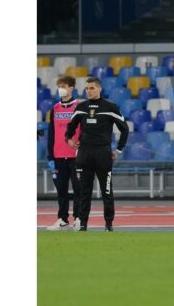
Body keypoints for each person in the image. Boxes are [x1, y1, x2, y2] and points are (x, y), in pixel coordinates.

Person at [64, 78, 129, 231]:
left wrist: (118, 150)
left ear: (99, 89)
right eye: (87, 88)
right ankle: (83, 224)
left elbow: (124, 129)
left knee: (106, 191)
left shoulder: (111, 107)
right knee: (83, 192)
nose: (89, 91)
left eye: (92, 88)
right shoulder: (80, 107)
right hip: (84, 154)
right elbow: (70, 129)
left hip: (103, 154)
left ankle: (108, 224)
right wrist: (69, 140)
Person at [46, 76, 82, 231]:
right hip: (58, 156)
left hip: (76, 156)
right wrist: (50, 158)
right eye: (59, 86)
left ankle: (79, 219)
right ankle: (62, 219)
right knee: (61, 190)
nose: (61, 88)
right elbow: (51, 135)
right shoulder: (55, 109)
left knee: (78, 188)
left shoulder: (79, 107)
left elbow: (84, 131)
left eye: (64, 86)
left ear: (71, 88)